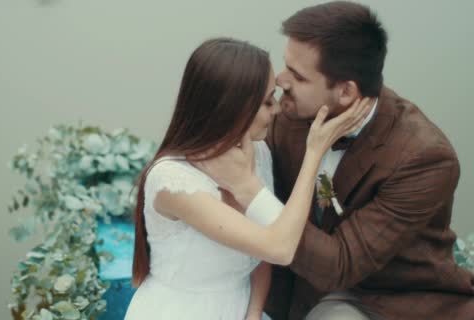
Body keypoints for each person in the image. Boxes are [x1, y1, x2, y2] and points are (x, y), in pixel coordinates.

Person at [195, 2, 474, 320]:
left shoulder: (425, 158)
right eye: (286, 65)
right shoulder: (290, 112)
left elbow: (338, 266)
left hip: (383, 297)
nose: (280, 81)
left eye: (298, 76)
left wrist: (248, 189)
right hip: (292, 283)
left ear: (345, 92)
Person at [124, 37, 371, 320]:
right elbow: (279, 248)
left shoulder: (258, 153)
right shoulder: (173, 180)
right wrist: (314, 152)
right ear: (233, 107)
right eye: (267, 102)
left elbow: (259, 257)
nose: (277, 110)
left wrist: (253, 314)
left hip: (242, 307)